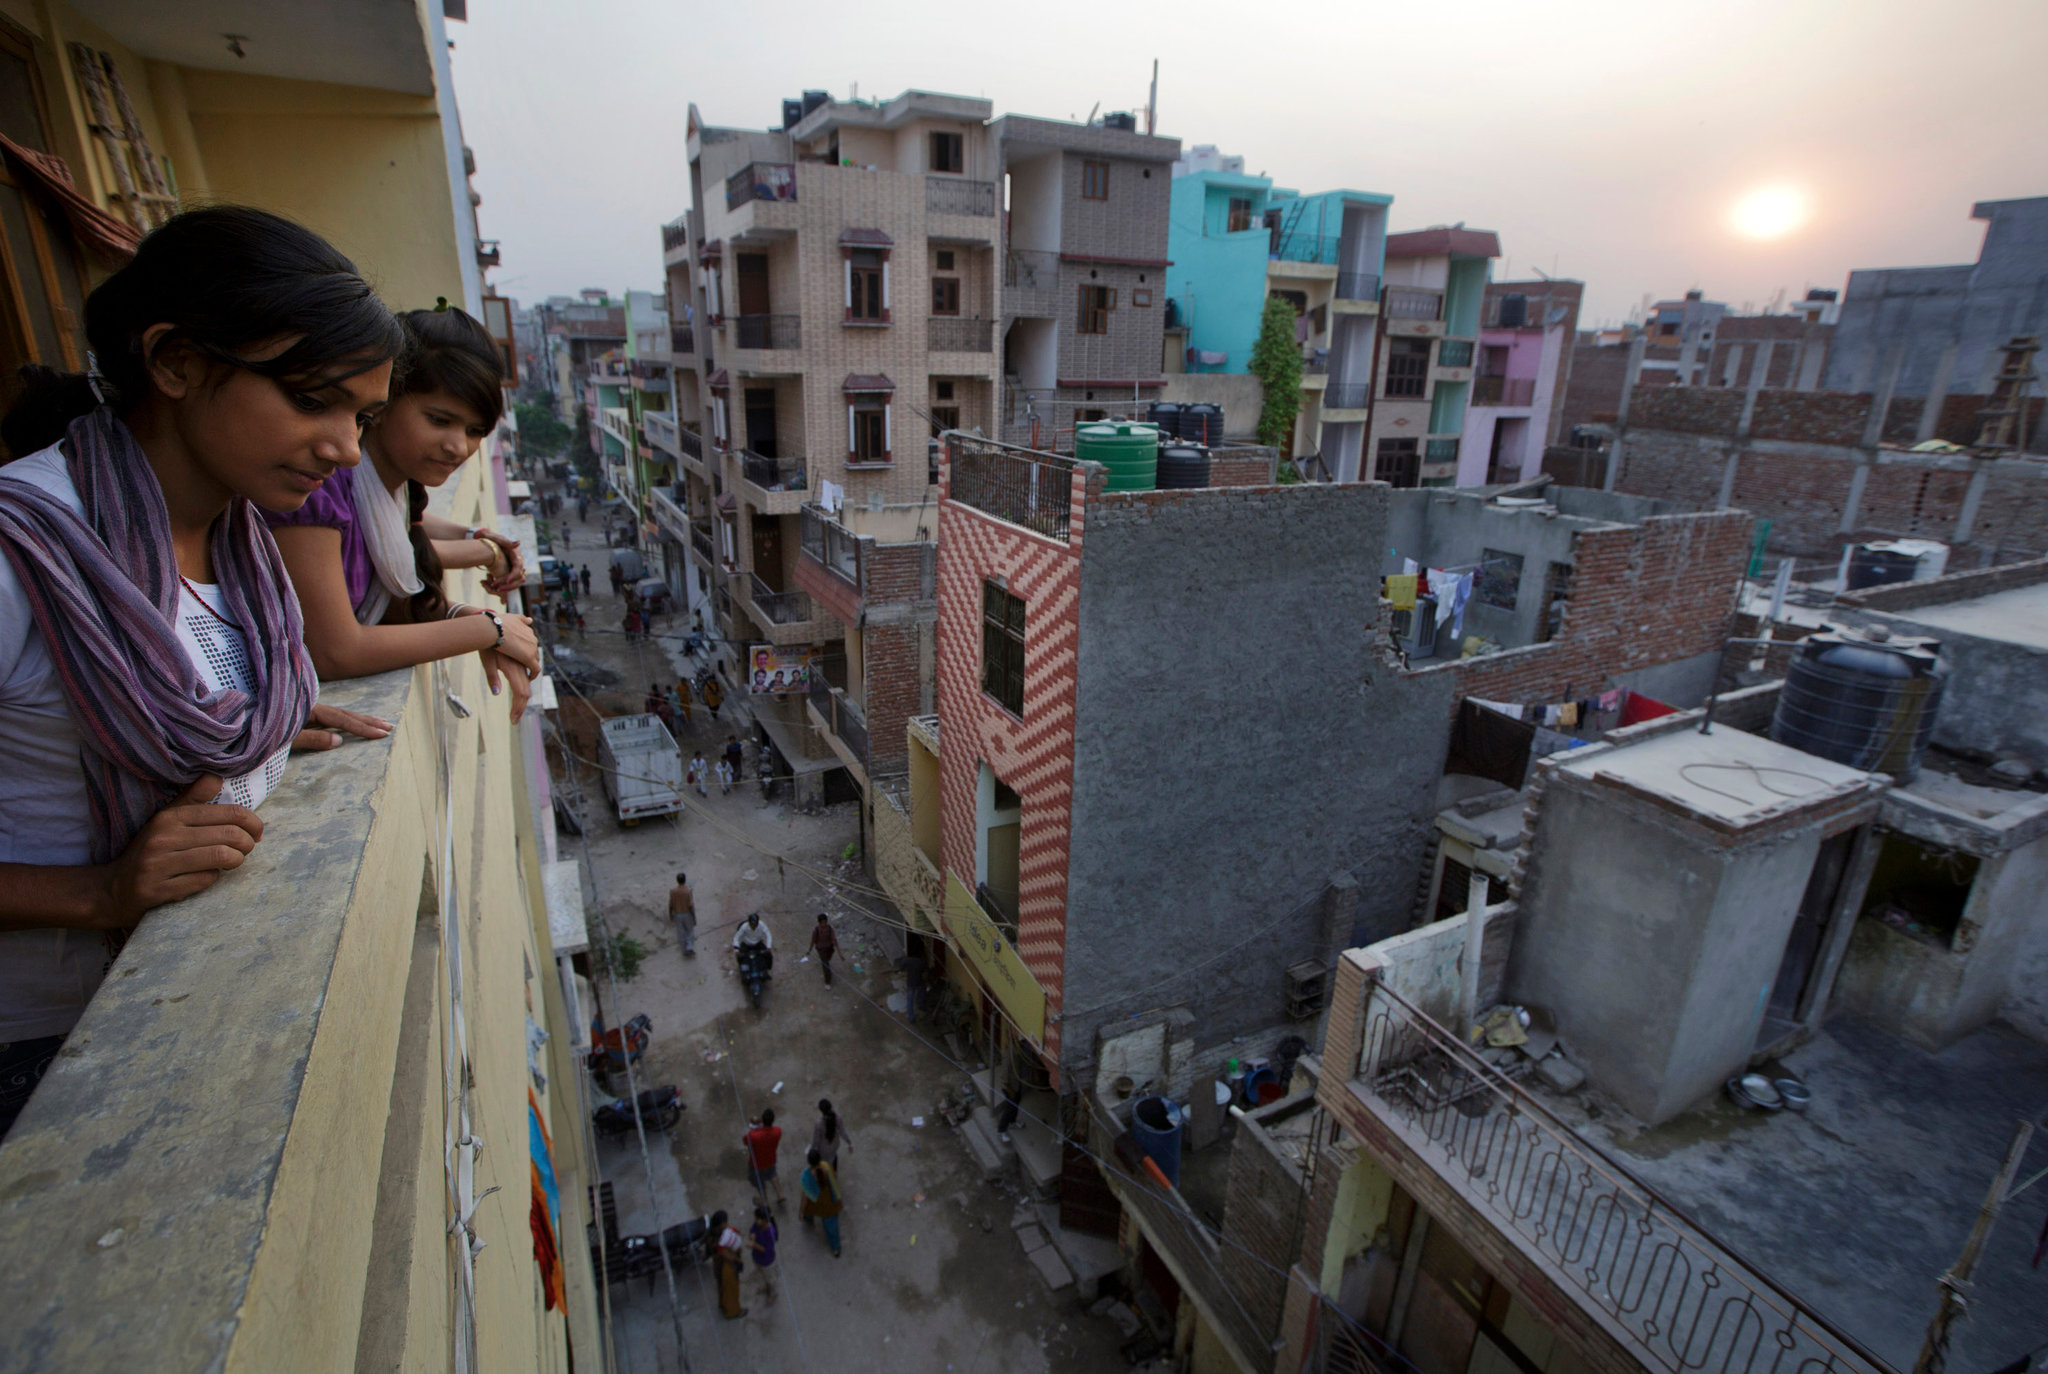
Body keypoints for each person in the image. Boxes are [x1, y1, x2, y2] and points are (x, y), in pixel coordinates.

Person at [0, 207, 402, 1137]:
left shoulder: (239, 535)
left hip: (199, 1010)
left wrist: (263, 730)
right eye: (313, 400)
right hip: (50, 1057)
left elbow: (188, 710)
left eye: (361, 415)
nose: (344, 446)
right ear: (176, 362)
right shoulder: (28, 551)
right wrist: (98, 891)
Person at [264, 304, 539, 717]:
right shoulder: (320, 486)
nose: (458, 446)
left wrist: (466, 616)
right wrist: (489, 628)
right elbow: (335, 651)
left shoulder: (392, 494)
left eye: (474, 431)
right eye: (439, 419)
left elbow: (395, 599)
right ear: (384, 400)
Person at [799, 1147, 844, 1257]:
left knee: (809, 1210)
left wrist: (801, 1211)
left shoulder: (806, 1176)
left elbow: (805, 1196)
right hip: (829, 1204)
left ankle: (808, 1219)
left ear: (809, 1161)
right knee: (831, 1226)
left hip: (815, 1202)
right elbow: (835, 1179)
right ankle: (836, 1248)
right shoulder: (827, 1167)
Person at [742, 1106, 785, 1208]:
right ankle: (780, 1194)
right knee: (772, 1174)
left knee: (759, 1181)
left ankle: (765, 1201)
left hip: (757, 1163)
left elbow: (745, 1140)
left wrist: (754, 1128)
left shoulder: (754, 1136)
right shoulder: (778, 1131)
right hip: (771, 1159)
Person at [713, 1210, 746, 1319]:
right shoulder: (724, 1240)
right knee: (732, 1289)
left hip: (720, 1265)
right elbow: (725, 1254)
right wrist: (737, 1259)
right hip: (728, 1266)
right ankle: (733, 1311)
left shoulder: (720, 1235)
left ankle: (723, 1305)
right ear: (722, 1224)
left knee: (723, 1286)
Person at [747, 1205, 779, 1308]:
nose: (756, 1221)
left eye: (758, 1219)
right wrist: (752, 1235)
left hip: (767, 1261)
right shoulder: (757, 1225)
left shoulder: (770, 1232)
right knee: (763, 1275)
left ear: (765, 1220)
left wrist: (754, 1245)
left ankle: (772, 1292)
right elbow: (752, 1230)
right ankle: (767, 1286)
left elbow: (767, 1250)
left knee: (770, 1277)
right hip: (757, 1258)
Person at [811, 1098, 853, 1167]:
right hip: (835, 1145)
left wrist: (813, 1153)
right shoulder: (838, 1118)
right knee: (832, 1158)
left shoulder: (818, 1124)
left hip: (823, 1149)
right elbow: (843, 1133)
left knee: (824, 1164)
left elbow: (816, 1141)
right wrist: (849, 1144)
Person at [896, 946, 930, 1023]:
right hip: (920, 982)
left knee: (910, 1000)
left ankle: (911, 1017)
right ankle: (920, 1005)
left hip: (911, 982)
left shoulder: (907, 960)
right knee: (922, 992)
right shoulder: (922, 961)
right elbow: (925, 974)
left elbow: (901, 968)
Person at [668, 870, 695, 957]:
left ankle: (684, 950)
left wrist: (670, 915)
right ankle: (690, 947)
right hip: (686, 913)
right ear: (685, 880)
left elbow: (670, 905)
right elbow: (690, 906)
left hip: (677, 914)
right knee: (689, 931)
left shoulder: (673, 892)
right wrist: (694, 917)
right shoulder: (688, 892)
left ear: (677, 881)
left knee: (681, 932)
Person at [807, 913, 838, 985]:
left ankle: (827, 969)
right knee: (825, 965)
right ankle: (828, 981)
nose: (824, 924)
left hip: (829, 948)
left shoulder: (829, 929)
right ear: (819, 923)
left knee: (827, 960)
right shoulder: (816, 931)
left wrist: (839, 953)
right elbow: (813, 941)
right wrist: (810, 950)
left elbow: (834, 939)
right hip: (821, 949)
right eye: (822, 923)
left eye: (825, 922)